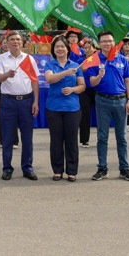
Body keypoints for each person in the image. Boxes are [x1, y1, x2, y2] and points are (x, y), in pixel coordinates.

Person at [84, 32, 129, 181]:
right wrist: (99, 75)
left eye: (110, 41)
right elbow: (92, 83)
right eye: (104, 41)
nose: (108, 44)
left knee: (122, 136)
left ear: (114, 42)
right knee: (102, 136)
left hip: (120, 100)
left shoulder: (121, 59)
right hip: (102, 100)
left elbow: (128, 81)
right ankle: (102, 168)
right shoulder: (94, 60)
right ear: (99, 44)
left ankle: (124, 168)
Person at [0, 31, 39, 181]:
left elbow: (34, 81)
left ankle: (27, 167)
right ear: (6, 42)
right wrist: (7, 75)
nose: (15, 42)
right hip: (8, 102)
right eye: (12, 39)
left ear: (22, 42)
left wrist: (36, 101)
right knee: (7, 137)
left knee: (27, 137)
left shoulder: (29, 59)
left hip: (26, 101)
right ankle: (7, 168)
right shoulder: (1, 59)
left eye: (18, 39)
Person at [44, 35, 84, 181]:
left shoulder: (76, 65)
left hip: (72, 108)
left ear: (67, 48)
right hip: (53, 107)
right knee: (56, 140)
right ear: (53, 50)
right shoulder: (50, 65)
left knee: (71, 139)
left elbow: (82, 86)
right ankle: (57, 170)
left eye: (62, 46)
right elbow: (49, 79)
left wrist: (73, 90)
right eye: (57, 47)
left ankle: (72, 171)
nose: (60, 49)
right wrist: (66, 72)